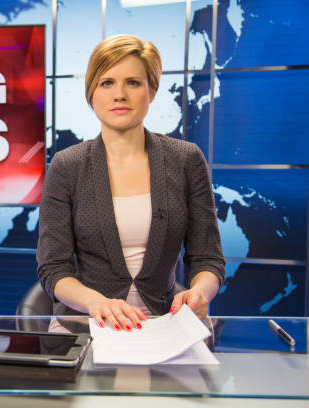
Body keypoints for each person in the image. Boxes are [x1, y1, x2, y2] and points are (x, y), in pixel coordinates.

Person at [37, 34, 225, 333]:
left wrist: (201, 291)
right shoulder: (66, 165)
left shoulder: (186, 160)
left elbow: (207, 258)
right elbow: (53, 269)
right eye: (107, 82)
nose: (119, 94)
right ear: (92, 93)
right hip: (83, 325)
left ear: (152, 91)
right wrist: (97, 303)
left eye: (133, 83)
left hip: (164, 325)